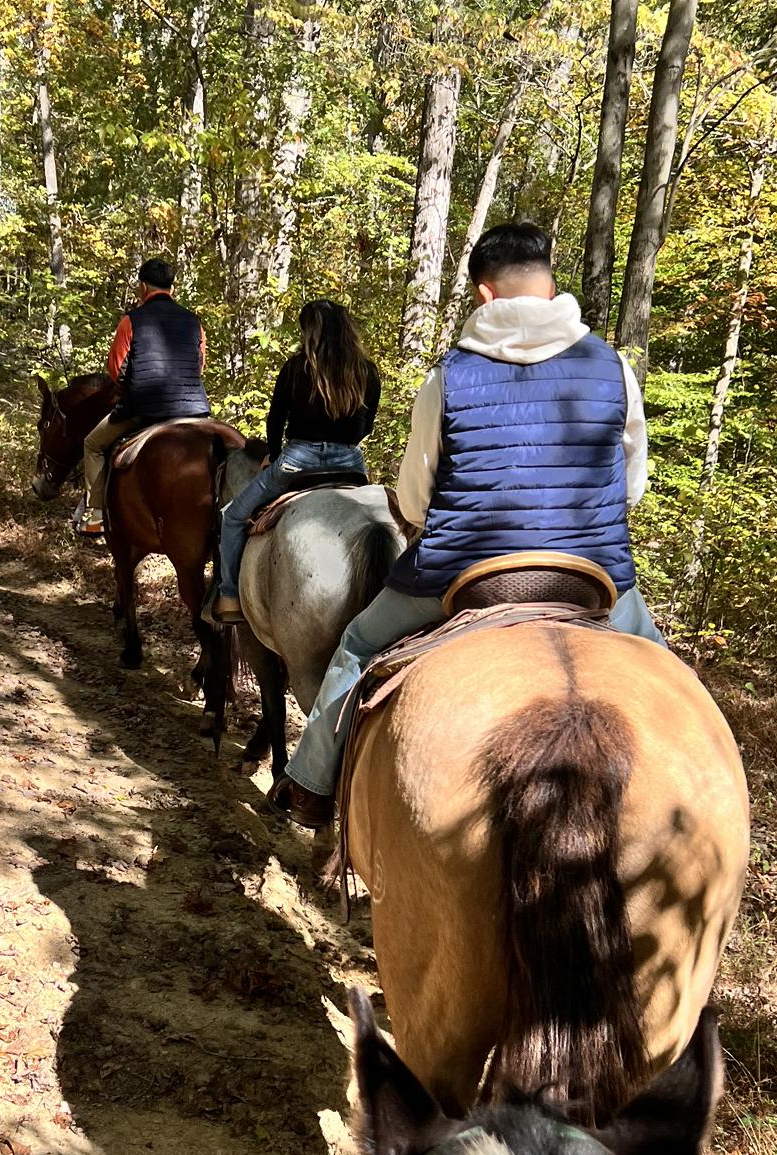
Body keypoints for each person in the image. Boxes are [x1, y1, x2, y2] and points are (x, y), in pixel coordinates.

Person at [270, 221, 667, 829]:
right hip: (594, 576)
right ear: (548, 281)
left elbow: (414, 499)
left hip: (464, 573)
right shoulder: (613, 367)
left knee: (354, 647)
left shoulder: (448, 377)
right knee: (671, 683)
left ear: (484, 295)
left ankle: (312, 786)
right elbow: (632, 487)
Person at [211, 300, 382, 625]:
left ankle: (230, 595)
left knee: (232, 517)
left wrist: (272, 455)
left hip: (297, 461)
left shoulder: (295, 368)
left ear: (310, 332)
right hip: (350, 463)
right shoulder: (367, 372)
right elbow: (367, 426)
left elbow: (276, 420)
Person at [80, 257, 210, 537]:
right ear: (172, 289)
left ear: (142, 287)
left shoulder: (131, 320)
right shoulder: (193, 322)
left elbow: (115, 369)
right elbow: (199, 366)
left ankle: (95, 515)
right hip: (194, 410)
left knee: (92, 444)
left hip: (145, 408)